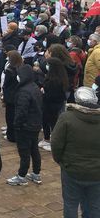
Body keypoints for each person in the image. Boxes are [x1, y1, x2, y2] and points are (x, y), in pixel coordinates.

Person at [51, 87, 100, 218]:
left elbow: (55, 144)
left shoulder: (66, 118)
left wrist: (63, 162)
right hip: (96, 173)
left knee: (70, 205)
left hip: (72, 170)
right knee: (94, 206)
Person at [7, 64, 43, 186]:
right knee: (34, 150)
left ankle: (21, 175)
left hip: (25, 126)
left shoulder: (24, 91)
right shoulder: (35, 87)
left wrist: (16, 125)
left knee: (24, 152)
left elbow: (21, 111)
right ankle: (36, 174)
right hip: (36, 124)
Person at [39, 57, 68, 152]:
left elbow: (52, 94)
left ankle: (53, 142)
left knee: (52, 122)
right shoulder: (58, 76)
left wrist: (44, 92)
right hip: (53, 103)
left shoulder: (55, 80)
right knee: (48, 121)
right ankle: (46, 138)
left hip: (51, 104)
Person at [2, 50, 23, 143]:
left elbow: (6, 84)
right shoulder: (21, 67)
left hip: (10, 96)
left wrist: (3, 94)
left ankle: (11, 135)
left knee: (10, 116)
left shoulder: (10, 70)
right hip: (19, 95)